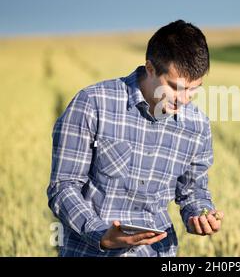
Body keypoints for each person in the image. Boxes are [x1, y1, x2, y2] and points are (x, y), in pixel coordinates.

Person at [47, 19, 224, 257]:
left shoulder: (197, 125)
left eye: (194, 89)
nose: (184, 99)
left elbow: (192, 192)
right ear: (150, 68)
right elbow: (63, 186)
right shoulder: (92, 104)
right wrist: (101, 234)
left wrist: (200, 215)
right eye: (175, 87)